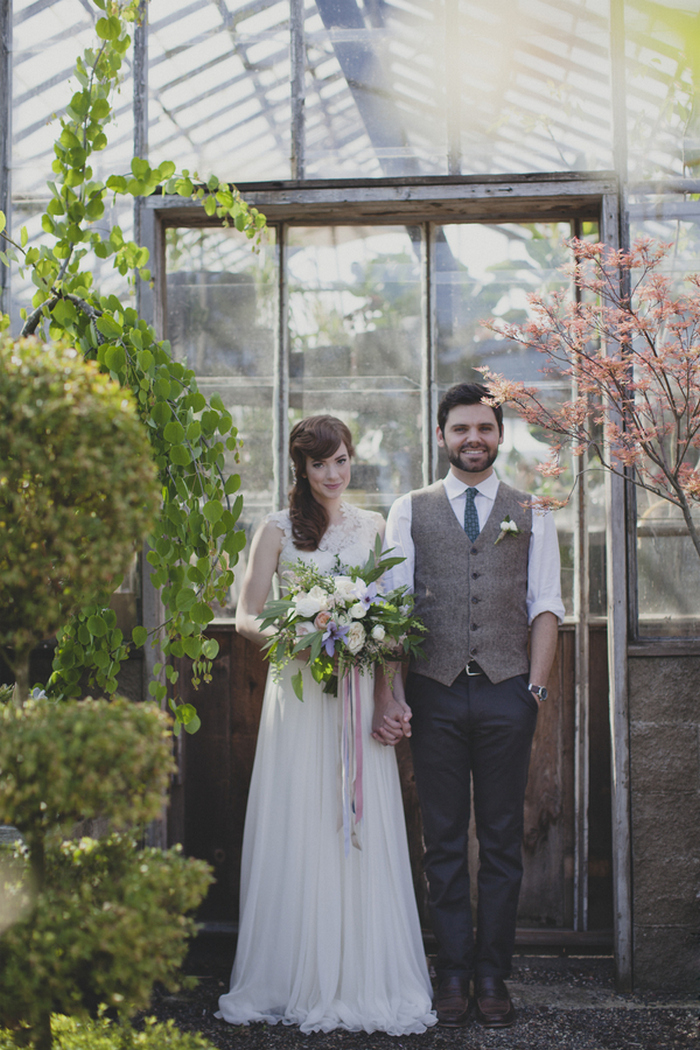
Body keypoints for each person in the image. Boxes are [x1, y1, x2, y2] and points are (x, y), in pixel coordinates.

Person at [217, 415, 436, 1035]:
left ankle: (364, 974)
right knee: (304, 819)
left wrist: (389, 695)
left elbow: (390, 623)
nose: (333, 474)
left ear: (351, 459)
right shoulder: (276, 530)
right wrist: (305, 631)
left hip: (359, 692)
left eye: (341, 461)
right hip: (302, 696)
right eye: (320, 465)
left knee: (359, 822)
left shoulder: (373, 527)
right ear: (301, 469)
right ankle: (292, 974)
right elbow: (245, 617)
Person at [373, 382, 565, 1030]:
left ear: (499, 434)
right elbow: (394, 611)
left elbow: (545, 606)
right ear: (441, 436)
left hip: (509, 691)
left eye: (483, 428)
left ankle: (492, 972)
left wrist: (533, 691)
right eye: (461, 429)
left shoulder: (532, 508)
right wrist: (394, 690)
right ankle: (452, 970)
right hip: (435, 692)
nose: (473, 439)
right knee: (444, 839)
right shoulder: (410, 509)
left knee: (505, 840)